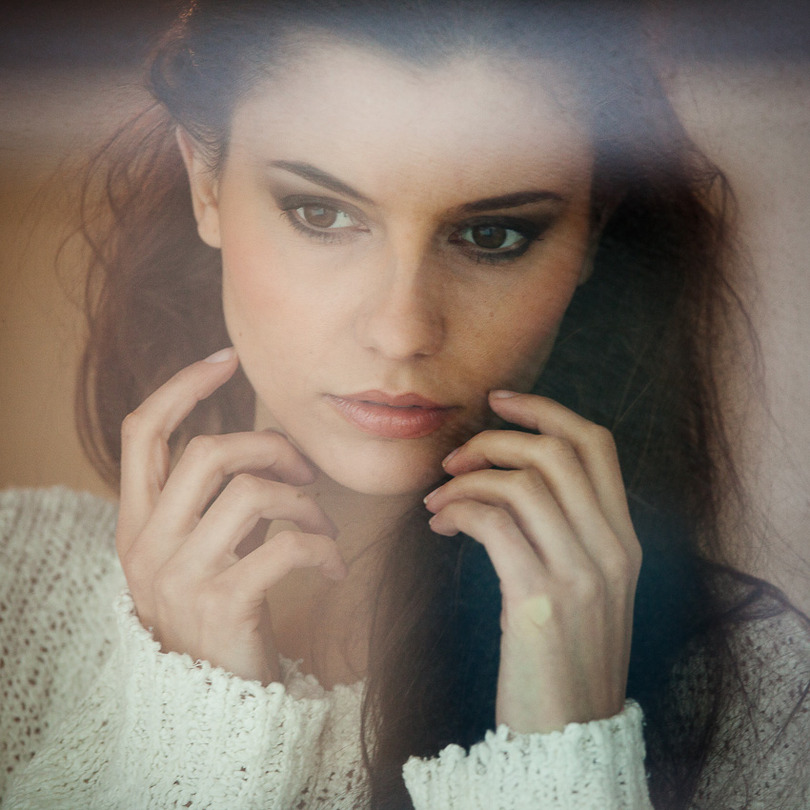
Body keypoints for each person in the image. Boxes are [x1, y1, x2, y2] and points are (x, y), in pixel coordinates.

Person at [1, 1, 808, 807]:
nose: (401, 330)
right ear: (205, 185)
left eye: (492, 236)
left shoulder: (768, 703)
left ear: (593, 234)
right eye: (321, 213)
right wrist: (196, 735)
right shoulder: (15, 581)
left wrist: (565, 753)